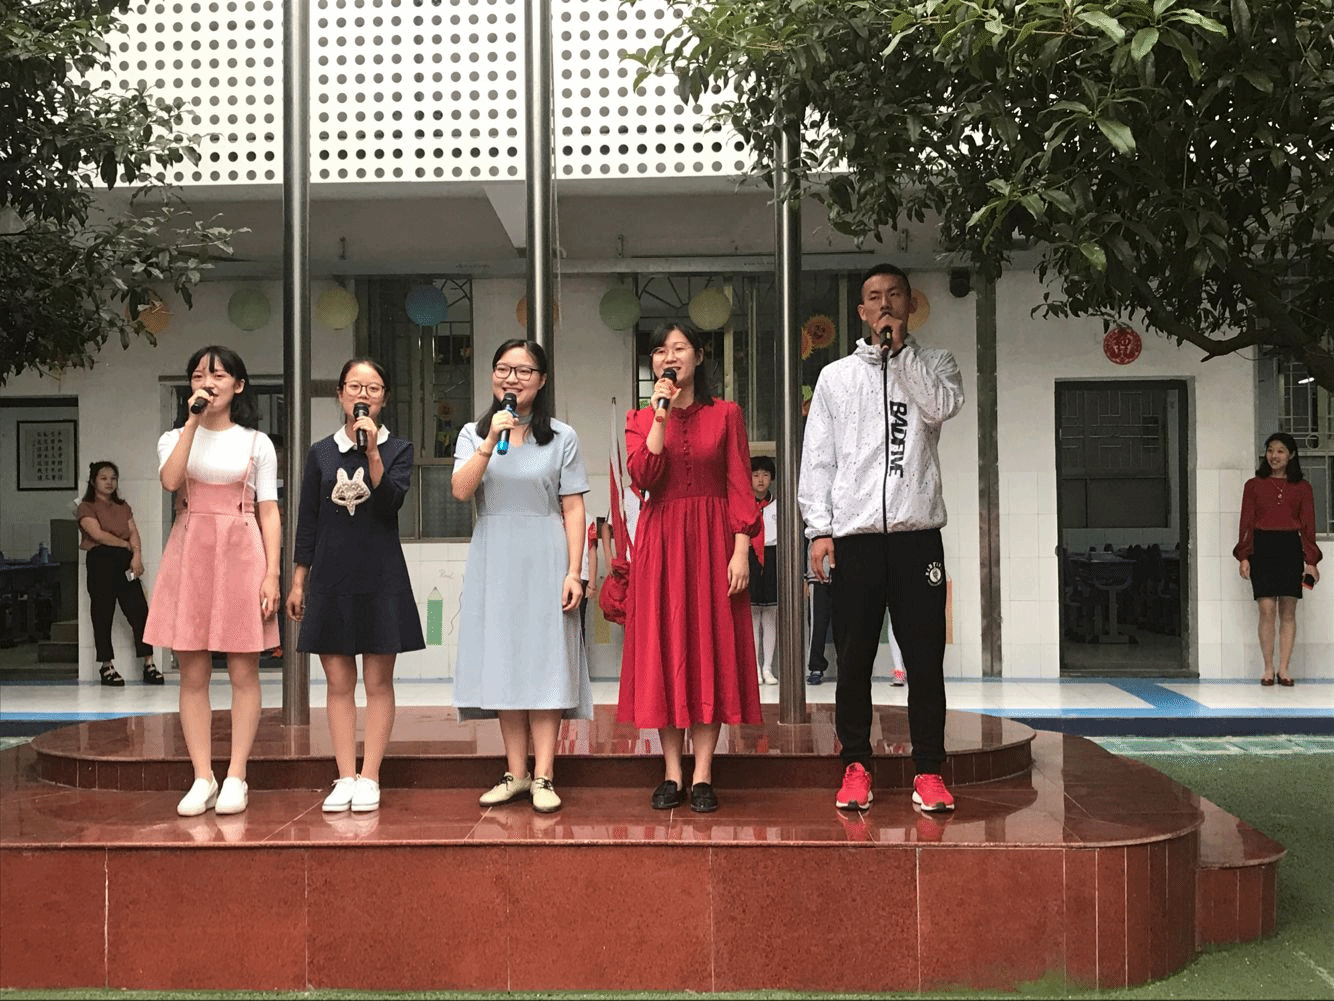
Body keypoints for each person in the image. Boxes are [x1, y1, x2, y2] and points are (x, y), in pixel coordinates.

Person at [798, 263, 965, 814]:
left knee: (924, 660)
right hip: (856, 538)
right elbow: (818, 458)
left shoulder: (936, 364)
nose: (885, 304)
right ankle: (855, 765)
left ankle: (929, 771)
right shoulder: (836, 377)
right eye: (874, 297)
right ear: (861, 311)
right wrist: (819, 530)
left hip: (917, 537)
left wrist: (901, 357)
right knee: (852, 658)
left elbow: (939, 408)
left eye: (895, 295)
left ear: (909, 305)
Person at [616, 321, 762, 814]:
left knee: (708, 649)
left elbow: (740, 484)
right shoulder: (640, 418)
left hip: (715, 541)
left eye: (679, 348)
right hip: (661, 543)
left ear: (699, 356)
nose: (669, 357)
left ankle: (702, 774)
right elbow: (644, 475)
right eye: (660, 350)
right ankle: (671, 772)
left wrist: (741, 549)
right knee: (665, 647)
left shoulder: (727, 414)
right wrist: (659, 414)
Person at [452, 339, 592, 814]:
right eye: (503, 369)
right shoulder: (473, 434)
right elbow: (460, 491)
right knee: (504, 661)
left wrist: (575, 572)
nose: (512, 378)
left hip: (546, 553)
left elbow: (574, 508)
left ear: (542, 380)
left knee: (545, 660)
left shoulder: (562, 437)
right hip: (494, 554)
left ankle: (545, 775)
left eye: (524, 371)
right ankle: (516, 772)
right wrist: (489, 441)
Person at [144, 345, 281, 818]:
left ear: (238, 386)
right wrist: (191, 422)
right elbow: (170, 481)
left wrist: (272, 572)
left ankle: (237, 775)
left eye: (219, 375)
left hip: (242, 550)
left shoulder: (257, 443)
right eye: (199, 375)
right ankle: (202, 776)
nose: (208, 382)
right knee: (193, 672)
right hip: (191, 551)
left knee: (244, 670)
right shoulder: (174, 437)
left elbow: (269, 510)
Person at [284, 358, 425, 814]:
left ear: (383, 397)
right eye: (355, 386)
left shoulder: (398, 448)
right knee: (338, 681)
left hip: (381, 575)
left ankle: (371, 776)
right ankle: (345, 775)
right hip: (330, 576)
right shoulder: (321, 453)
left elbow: (390, 503)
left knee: (378, 681)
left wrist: (373, 452)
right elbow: (308, 520)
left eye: (373, 387)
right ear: (341, 394)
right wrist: (299, 580)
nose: (363, 394)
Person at [1233, 432, 1322, 686]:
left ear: (1291, 455)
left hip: (1290, 547)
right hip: (1262, 547)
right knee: (1266, 609)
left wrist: (1311, 561)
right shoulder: (1253, 485)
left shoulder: (1303, 488)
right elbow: (1246, 522)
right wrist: (1244, 556)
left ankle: (1284, 669)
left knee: (1288, 610)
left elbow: (1308, 526)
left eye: (1280, 451)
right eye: (1270, 450)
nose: (1274, 456)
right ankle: (1267, 668)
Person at [76, 461, 162, 686]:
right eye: (104, 478)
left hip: (125, 561)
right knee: (102, 614)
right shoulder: (86, 507)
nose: (109, 482)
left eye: (113, 478)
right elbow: (98, 534)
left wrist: (136, 556)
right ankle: (107, 666)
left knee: (139, 612)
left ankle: (149, 664)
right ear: (93, 481)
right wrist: (125, 545)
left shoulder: (123, 507)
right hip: (100, 561)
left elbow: (133, 532)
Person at [749, 455, 779, 685]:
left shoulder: (778, 505)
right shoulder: (743, 504)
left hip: (772, 556)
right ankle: (754, 669)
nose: (760, 480)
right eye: (756, 475)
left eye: (765, 475)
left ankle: (767, 667)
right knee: (751, 614)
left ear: (771, 479)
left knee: (770, 614)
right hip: (749, 556)